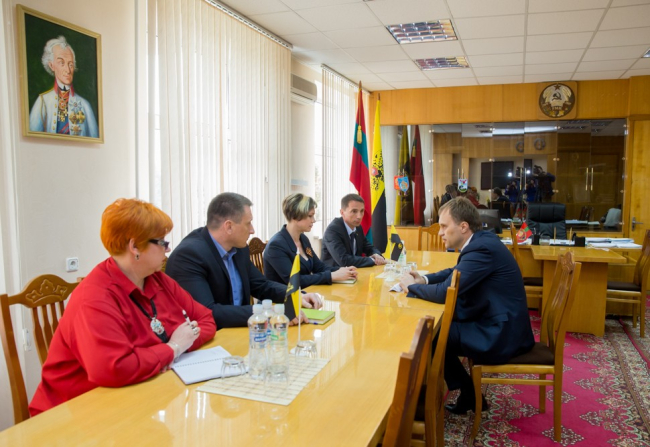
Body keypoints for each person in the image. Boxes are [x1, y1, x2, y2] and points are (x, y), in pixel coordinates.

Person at [29, 199, 216, 416]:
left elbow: (206, 320)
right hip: (72, 413)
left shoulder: (157, 279)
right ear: (134, 246)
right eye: (162, 242)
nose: (168, 249)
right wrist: (172, 348)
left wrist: (169, 350)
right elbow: (116, 368)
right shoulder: (94, 297)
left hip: (134, 397)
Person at [398, 197, 534, 414]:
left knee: (430, 334)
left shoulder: (482, 249)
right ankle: (468, 392)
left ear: (463, 227)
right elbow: (455, 273)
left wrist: (410, 287)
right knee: (436, 330)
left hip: (500, 333)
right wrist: (424, 279)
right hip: (495, 319)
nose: (440, 233)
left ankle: (462, 393)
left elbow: (445, 292)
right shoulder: (481, 242)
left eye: (444, 226)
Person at [165, 192, 321, 329]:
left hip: (243, 331)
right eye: (248, 223)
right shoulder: (189, 256)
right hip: (211, 338)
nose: (252, 230)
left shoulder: (239, 248)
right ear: (229, 227)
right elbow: (208, 311)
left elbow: (261, 285)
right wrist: (268, 313)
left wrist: (296, 295)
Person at [264, 193, 357, 288]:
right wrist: (331, 276)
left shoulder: (303, 239)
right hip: (283, 297)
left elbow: (319, 267)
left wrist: (342, 271)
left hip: (305, 293)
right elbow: (295, 281)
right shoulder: (276, 245)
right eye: (310, 216)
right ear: (295, 216)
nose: (314, 220)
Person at [29, 36, 99, 137]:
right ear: (52, 65)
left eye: (70, 64)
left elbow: (94, 137)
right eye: (62, 63)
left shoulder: (85, 105)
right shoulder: (43, 102)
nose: (68, 70)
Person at [321, 193, 387, 268]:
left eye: (362, 211)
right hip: (334, 273)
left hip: (354, 272)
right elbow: (344, 260)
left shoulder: (358, 228)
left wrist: (376, 255)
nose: (359, 216)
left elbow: (369, 247)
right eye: (354, 211)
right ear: (342, 212)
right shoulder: (333, 230)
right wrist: (372, 260)